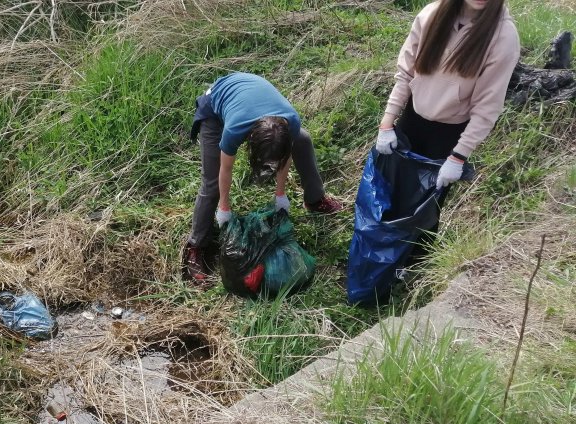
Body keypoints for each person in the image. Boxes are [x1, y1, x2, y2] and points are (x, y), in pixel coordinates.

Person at [184, 72, 343, 282]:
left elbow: (285, 155)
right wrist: (224, 207)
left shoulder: (290, 122)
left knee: (303, 140)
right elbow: (226, 169)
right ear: (250, 142)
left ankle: (315, 200)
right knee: (212, 183)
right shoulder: (234, 129)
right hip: (215, 106)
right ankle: (196, 246)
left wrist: (280, 195)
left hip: (251, 98)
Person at [375, 0, 520, 189]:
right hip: (410, 120)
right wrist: (386, 124)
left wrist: (458, 157)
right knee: (388, 188)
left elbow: (487, 106)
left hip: (448, 135)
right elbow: (406, 74)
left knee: (421, 207)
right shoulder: (431, 15)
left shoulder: (503, 36)